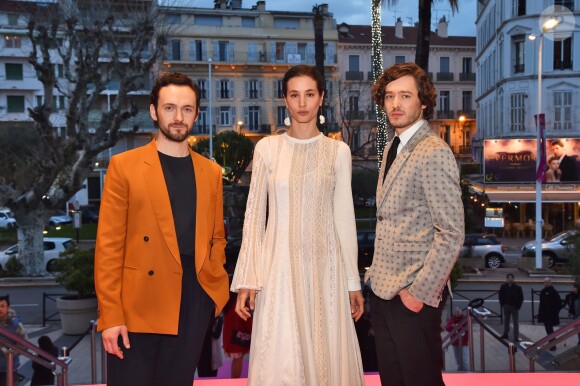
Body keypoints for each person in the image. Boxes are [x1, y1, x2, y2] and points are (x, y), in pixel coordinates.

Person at [231, 65, 365, 385]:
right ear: (285, 101)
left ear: (321, 98)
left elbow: (344, 218)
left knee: (325, 353)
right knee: (282, 357)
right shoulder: (267, 148)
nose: (302, 103)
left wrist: (352, 282)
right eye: (294, 95)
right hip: (279, 270)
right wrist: (249, 277)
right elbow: (253, 217)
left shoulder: (339, 152)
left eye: (309, 94)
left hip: (326, 269)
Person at [95, 72, 230, 386]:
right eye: (170, 108)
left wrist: (214, 288)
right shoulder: (124, 166)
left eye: (186, 109)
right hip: (138, 300)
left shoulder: (210, 171)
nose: (178, 117)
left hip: (193, 299)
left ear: (197, 114)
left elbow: (217, 236)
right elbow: (108, 248)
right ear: (154, 111)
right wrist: (111, 316)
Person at [367, 62, 464, 386]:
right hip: (384, 292)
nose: (395, 104)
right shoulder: (393, 147)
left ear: (423, 102)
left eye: (405, 96)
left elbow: (451, 233)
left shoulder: (432, 151)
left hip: (412, 297)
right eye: (390, 96)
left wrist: (418, 294)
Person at [222, 293, 252, 378]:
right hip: (238, 336)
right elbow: (246, 319)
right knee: (238, 359)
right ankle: (235, 381)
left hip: (232, 336)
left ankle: (234, 380)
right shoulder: (239, 302)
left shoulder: (228, 302)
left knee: (237, 359)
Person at [0, 295, 26, 386]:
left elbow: (24, 345)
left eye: (2, 306)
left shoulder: (15, 324)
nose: (0, 309)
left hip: (9, 368)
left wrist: (11, 353)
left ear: (8, 307)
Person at [538, 277, 562, 350]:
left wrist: (555, 312)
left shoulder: (553, 291)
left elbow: (558, 303)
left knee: (550, 329)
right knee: (548, 329)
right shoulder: (543, 291)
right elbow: (541, 304)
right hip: (545, 314)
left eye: (547, 282)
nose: (545, 284)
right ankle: (551, 342)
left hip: (551, 315)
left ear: (550, 282)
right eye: (544, 282)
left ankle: (553, 344)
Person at [499, 273, 524, 341]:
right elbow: (500, 296)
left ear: (513, 279)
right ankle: (505, 334)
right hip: (506, 307)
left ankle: (516, 336)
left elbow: (521, 298)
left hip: (514, 307)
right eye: (509, 277)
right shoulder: (503, 287)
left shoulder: (518, 287)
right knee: (506, 321)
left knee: (515, 322)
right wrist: (503, 305)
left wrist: (518, 306)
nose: (510, 279)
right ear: (507, 279)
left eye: (511, 277)